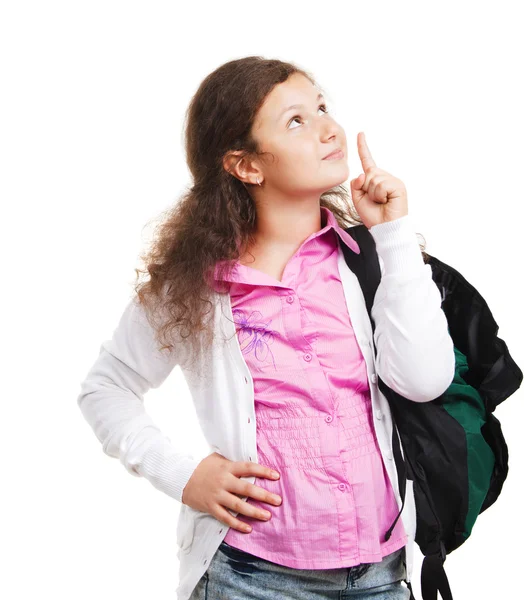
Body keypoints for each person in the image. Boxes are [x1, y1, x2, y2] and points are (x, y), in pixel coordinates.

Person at [77, 56, 455, 600]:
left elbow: (425, 381)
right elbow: (106, 387)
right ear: (246, 165)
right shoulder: (196, 284)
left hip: (381, 573)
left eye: (322, 108)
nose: (329, 129)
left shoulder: (366, 259)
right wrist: (184, 475)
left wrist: (393, 234)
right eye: (296, 121)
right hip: (249, 576)